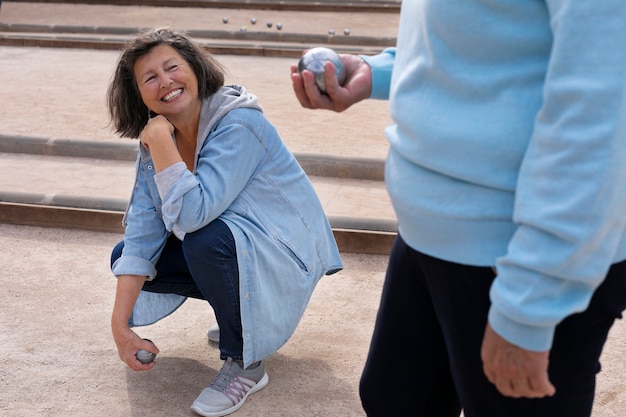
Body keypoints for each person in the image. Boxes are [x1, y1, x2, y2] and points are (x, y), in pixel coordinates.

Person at [291, 1, 626, 416]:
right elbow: (487, 37)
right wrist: (380, 72)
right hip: (429, 231)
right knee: (394, 399)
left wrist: (530, 306)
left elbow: (601, 116)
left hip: (516, 249)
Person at [107, 28, 342, 417]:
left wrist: (163, 144)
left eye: (172, 67)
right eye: (150, 78)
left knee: (205, 239)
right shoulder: (155, 142)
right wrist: (120, 328)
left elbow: (194, 213)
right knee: (130, 256)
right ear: (139, 95)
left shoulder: (238, 125)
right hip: (246, 249)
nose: (165, 82)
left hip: (286, 255)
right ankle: (246, 321)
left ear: (196, 69)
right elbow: (143, 231)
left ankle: (245, 364)